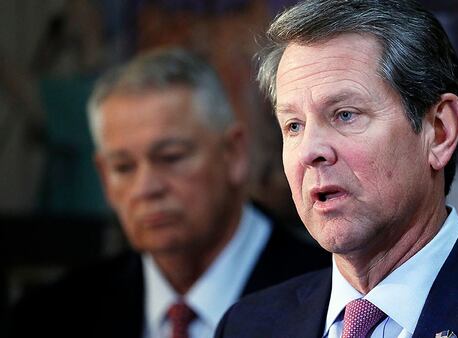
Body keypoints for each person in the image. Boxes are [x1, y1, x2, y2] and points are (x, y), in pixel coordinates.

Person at [214, 1, 458, 337]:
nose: (310, 151)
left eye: (345, 115)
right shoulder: (248, 324)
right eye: (294, 125)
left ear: (439, 131)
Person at [8, 47, 329, 338]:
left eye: (171, 157)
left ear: (234, 154)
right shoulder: (48, 318)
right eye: (123, 167)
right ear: (104, 179)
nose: (146, 187)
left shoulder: (337, 298)